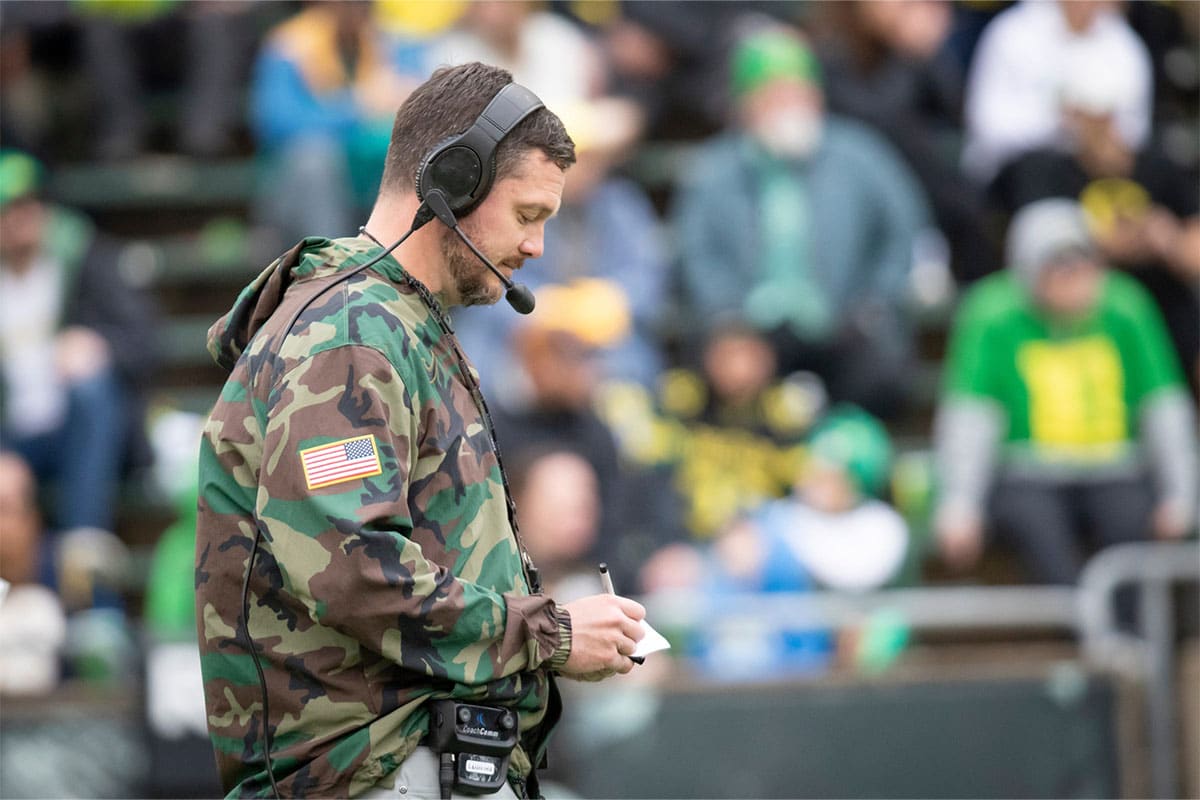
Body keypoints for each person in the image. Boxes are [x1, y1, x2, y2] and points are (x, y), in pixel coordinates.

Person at [195, 62, 646, 799]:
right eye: (528, 215)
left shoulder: (398, 325)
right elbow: (351, 567)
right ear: (453, 180)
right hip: (371, 774)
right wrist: (550, 632)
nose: (537, 249)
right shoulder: (349, 336)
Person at [671, 26, 932, 420]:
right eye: (775, 96)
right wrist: (726, 320)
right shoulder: (714, 169)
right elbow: (697, 252)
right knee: (712, 377)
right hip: (751, 325)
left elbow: (902, 231)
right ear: (745, 105)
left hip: (843, 321)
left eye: (799, 94)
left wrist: (875, 300)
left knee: (878, 372)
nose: (790, 107)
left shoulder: (860, 156)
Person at [933, 198, 1197, 583]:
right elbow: (970, 418)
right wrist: (959, 505)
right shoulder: (992, 314)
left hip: (1115, 466)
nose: (1073, 279)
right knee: (1037, 528)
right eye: (1058, 267)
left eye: (1082, 264)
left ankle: (1127, 630)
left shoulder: (1126, 307)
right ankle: (1086, 626)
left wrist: (1182, 495)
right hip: (1028, 472)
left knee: (1132, 523)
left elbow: (1163, 407)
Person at [988, 48, 1200, 397]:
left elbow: (1192, 255)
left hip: (1164, 305)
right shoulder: (1046, 170)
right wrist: (1105, 242)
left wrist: (1167, 239)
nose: (1104, 127)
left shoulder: (1162, 167)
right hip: (1080, 306)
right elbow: (1033, 251)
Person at [0, 149, 159, 534]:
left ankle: (83, 551)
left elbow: (147, 341)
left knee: (91, 391)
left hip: (79, 431)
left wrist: (98, 345)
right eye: (10, 206)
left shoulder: (84, 255)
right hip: (12, 437)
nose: (22, 215)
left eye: (31, 201)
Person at [961, 0, 1153, 184]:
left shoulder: (1123, 42)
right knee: (1038, 168)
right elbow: (987, 125)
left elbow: (1137, 127)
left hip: (1098, 169)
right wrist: (1060, 123)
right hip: (1016, 171)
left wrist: (1101, 132)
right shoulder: (1011, 33)